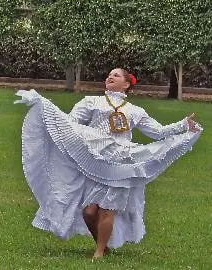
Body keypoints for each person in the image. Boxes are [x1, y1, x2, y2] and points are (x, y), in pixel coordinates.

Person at [15, 68, 203, 259]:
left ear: (127, 84)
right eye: (109, 75)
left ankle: (99, 252)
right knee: (89, 212)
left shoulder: (135, 111)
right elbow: (70, 123)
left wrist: (183, 125)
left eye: (116, 75)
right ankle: (103, 246)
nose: (110, 77)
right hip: (96, 163)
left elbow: (158, 132)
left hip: (121, 164)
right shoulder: (91, 102)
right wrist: (48, 109)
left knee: (108, 208)